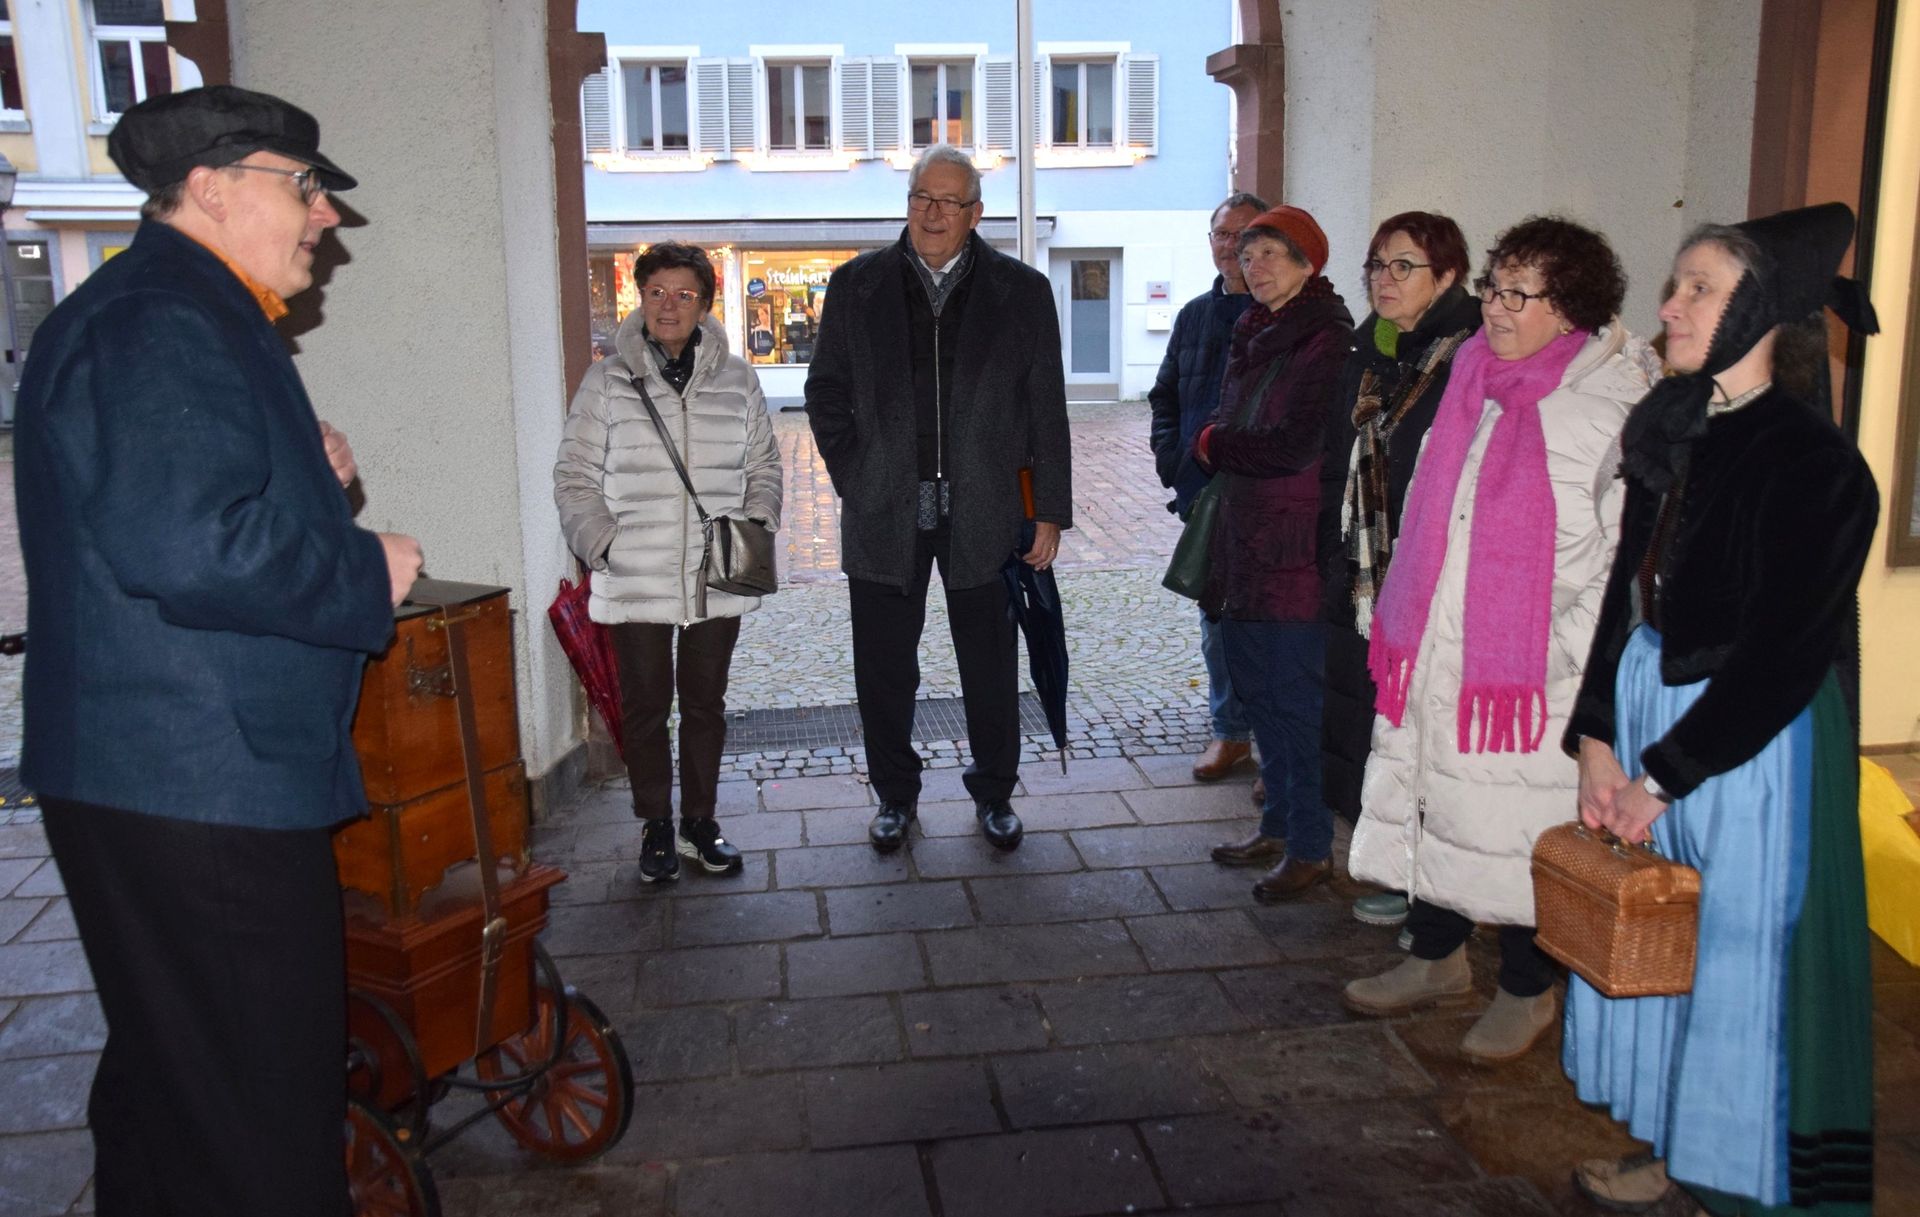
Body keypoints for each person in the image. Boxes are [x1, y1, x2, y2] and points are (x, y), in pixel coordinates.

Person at [12, 86, 422, 1215]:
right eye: (304, 188)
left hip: (172, 775)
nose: (325, 217)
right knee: (259, 1113)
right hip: (200, 783)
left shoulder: (181, 306)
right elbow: (192, 544)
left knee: (178, 1081)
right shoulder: (161, 316)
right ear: (210, 188)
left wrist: (308, 477)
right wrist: (360, 566)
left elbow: (174, 505)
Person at [1561, 205, 1879, 1217]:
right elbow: (1625, 588)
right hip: (1657, 709)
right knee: (1670, 949)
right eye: (1679, 283)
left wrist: (1666, 774)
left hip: (1752, 744)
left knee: (1741, 959)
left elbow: (1787, 654)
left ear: (1762, 310)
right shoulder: (1679, 421)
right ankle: (1678, 1144)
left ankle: (1747, 1180)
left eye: (1699, 287)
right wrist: (1599, 741)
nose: (1671, 305)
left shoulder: (1815, 464)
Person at [1343, 217, 1649, 1064]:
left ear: (1572, 308)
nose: (1498, 306)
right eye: (1493, 286)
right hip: (1442, 645)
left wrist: (1562, 660)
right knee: (1437, 805)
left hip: (1526, 674)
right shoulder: (1474, 373)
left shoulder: (1610, 407)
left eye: (1521, 293)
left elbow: (1618, 563)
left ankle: (1527, 989)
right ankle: (1435, 957)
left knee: (1522, 833)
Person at [805, 144, 1072, 854]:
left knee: (990, 663)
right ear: (909, 202)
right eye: (923, 196)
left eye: (950, 202)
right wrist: (858, 475)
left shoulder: (1022, 292)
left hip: (985, 510)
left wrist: (1048, 508)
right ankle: (895, 795)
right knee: (885, 668)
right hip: (884, 509)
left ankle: (995, 793)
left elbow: (1046, 405)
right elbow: (825, 394)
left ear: (975, 213)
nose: (933, 212)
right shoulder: (855, 286)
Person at [556, 241, 782, 884]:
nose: (670, 306)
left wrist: (756, 523)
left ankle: (699, 824)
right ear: (639, 296)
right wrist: (601, 543)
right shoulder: (607, 380)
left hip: (717, 574)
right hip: (637, 570)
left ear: (705, 304)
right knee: (646, 705)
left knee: (706, 704)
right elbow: (574, 474)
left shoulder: (738, 378)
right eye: (657, 292)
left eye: (685, 294)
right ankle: (655, 822)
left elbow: (764, 466)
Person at [1320, 213, 1482, 930]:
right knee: (1378, 719)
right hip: (1368, 567)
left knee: (1424, 729)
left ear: (1447, 276)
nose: (1384, 280)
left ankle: (1437, 892)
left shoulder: (1466, 355)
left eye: (1404, 267)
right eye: (1378, 265)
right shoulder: (1376, 347)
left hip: (1431, 570)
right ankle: (1398, 861)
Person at [1190, 205, 1353, 901]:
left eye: (1270, 255)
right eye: (1247, 255)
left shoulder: (1326, 341)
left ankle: (1311, 846)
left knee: (1292, 702)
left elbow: (1292, 443)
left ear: (1308, 262)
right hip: (1244, 542)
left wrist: (1212, 445)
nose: (1253, 267)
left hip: (1292, 552)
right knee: (1258, 695)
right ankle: (1279, 824)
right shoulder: (1254, 329)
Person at [1148, 190, 1267, 790]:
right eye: (1223, 234)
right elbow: (1164, 394)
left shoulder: (1285, 316)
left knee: (1272, 622)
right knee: (1216, 619)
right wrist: (1175, 462)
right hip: (1203, 495)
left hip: (1269, 497)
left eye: (1246, 235)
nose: (1232, 247)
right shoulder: (1195, 315)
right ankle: (1232, 733)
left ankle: (1274, 744)